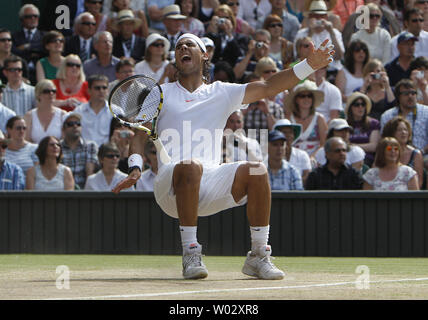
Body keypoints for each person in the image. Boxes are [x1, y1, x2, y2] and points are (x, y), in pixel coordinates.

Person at [112, 32, 333, 280]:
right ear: (175, 58)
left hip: (210, 184)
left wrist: (308, 65)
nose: (183, 48)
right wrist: (135, 168)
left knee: (257, 170)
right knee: (189, 166)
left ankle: (258, 256)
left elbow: (270, 86)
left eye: (189, 45)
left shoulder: (222, 92)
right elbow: (140, 136)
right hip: (170, 187)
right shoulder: (159, 94)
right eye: (179, 46)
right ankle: (190, 253)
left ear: (204, 55)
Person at [380, 79, 428, 154]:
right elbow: (384, 142)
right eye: (406, 93)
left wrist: (420, 152)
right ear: (398, 97)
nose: (410, 96)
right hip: (394, 156)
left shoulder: (426, 112)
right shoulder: (387, 116)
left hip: (424, 154)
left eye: (413, 93)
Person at [294, 0, 345, 69]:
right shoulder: (301, 34)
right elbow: (298, 56)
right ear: (309, 17)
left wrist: (331, 33)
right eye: (315, 16)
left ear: (326, 17)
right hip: (308, 71)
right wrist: (310, 32)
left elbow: (339, 57)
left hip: (331, 72)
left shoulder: (335, 33)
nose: (318, 19)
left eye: (322, 16)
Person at [285, 79, 328, 158]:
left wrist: (312, 157)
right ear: (296, 100)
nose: (306, 99)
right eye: (302, 96)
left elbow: (324, 144)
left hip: (315, 158)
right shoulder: (289, 119)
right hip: (294, 158)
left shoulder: (319, 118)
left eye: (309, 96)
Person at [382, 116, 424, 189]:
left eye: (405, 130)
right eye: (399, 130)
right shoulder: (383, 151)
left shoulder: (416, 154)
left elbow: (419, 182)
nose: (403, 132)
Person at [60, 112, 99, 189]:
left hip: (85, 192)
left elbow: (90, 174)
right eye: (70, 124)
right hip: (63, 192)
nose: (75, 126)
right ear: (63, 129)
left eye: (78, 124)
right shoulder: (57, 147)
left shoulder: (90, 146)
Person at [243, 73, 284, 142]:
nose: (256, 90)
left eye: (259, 86)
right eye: (253, 87)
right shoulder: (240, 108)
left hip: (269, 147)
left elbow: (278, 133)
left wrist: (267, 112)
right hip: (246, 147)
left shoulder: (276, 108)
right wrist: (243, 112)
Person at [74, 74, 113, 147]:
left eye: (104, 88)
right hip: (85, 154)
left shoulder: (116, 111)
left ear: (108, 90)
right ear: (89, 91)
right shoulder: (78, 111)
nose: (101, 91)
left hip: (108, 155)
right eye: (97, 88)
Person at [23, 80, 67, 144]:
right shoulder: (29, 116)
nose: (51, 93)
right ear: (38, 94)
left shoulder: (62, 115)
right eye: (46, 91)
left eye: (53, 91)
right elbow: (26, 141)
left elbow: (65, 141)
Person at [12, 4, 45, 85]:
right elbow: (14, 51)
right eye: (29, 16)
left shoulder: (44, 36)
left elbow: (44, 49)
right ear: (22, 19)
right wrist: (34, 52)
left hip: (40, 73)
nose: (33, 19)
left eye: (35, 16)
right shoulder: (14, 36)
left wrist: (27, 47)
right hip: (20, 73)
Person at [346, 92, 380, 168]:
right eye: (357, 105)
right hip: (348, 157)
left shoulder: (373, 123)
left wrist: (354, 146)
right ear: (350, 107)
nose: (360, 107)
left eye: (363, 104)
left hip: (367, 158)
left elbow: (373, 146)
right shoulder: (345, 124)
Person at [273, 118, 311, 184]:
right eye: (284, 132)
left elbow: (307, 176)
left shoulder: (302, 155)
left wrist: (292, 184)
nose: (288, 135)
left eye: (290, 132)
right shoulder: (270, 156)